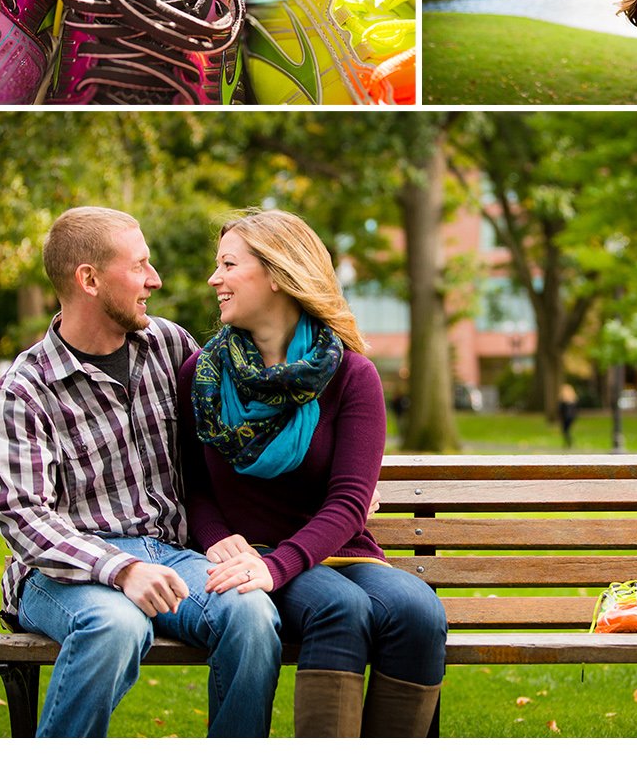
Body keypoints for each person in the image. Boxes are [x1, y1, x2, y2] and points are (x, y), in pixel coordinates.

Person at [0, 206, 282, 738]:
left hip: (172, 557)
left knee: (253, 615)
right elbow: (23, 516)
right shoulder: (25, 389)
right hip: (65, 573)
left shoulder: (170, 346)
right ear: (89, 280)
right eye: (139, 265)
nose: (155, 280)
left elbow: (246, 415)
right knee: (114, 624)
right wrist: (120, 569)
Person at [178, 209, 448, 737]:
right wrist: (216, 540)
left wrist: (279, 566)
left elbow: (350, 502)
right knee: (337, 606)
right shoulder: (201, 377)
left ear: (277, 274)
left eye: (229, 265)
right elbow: (194, 487)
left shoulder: (352, 375)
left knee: (419, 609)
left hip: (333, 553)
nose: (215, 279)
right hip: (248, 559)